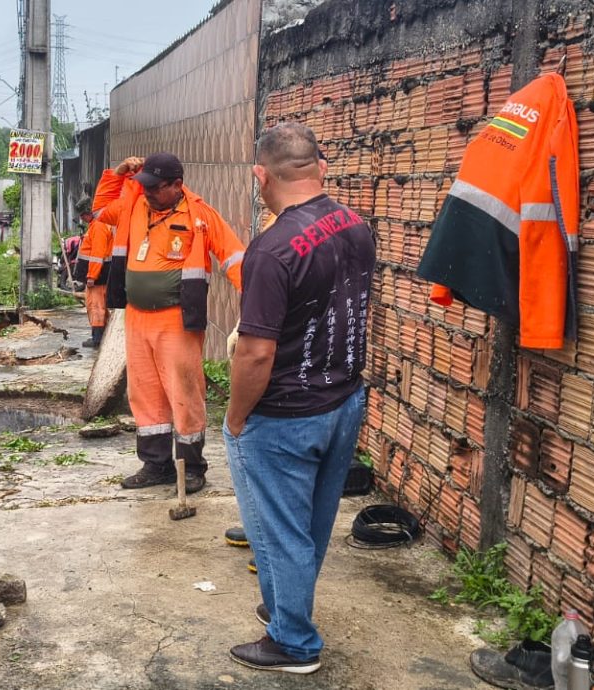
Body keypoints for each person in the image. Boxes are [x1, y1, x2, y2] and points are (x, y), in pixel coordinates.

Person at [223, 122, 374, 674]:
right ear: (321, 168)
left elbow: (256, 353)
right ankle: (287, 606)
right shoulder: (355, 225)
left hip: (284, 413)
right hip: (344, 401)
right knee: (311, 523)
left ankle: (294, 643)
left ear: (261, 176)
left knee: (278, 527)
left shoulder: (271, 248)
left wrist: (237, 417)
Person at [95, 153, 246, 494]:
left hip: (176, 321)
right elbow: (99, 213)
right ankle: (156, 465)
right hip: (136, 319)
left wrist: (257, 299)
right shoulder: (133, 205)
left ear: (177, 185)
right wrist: (115, 176)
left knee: (184, 392)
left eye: (155, 187)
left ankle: (191, 467)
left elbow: (235, 257)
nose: (147, 192)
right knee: (145, 393)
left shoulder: (199, 216)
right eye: (144, 185)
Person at [74, 199, 115, 348]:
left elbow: (97, 254)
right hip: (101, 274)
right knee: (100, 306)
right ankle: (102, 336)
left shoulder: (98, 226)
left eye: (82, 215)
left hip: (98, 276)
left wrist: (92, 276)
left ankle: (97, 339)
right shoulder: (97, 225)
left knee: (95, 306)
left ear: (88, 213)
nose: (82, 219)